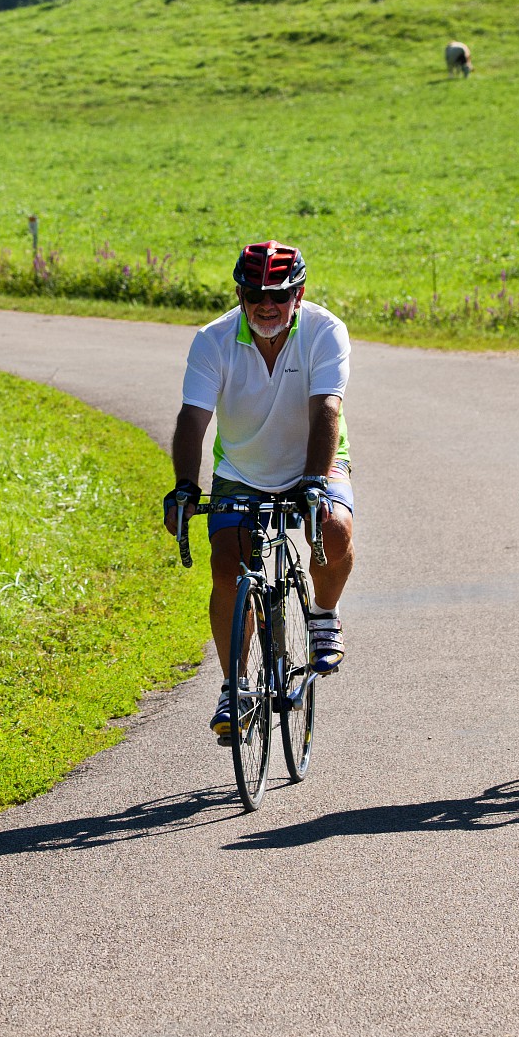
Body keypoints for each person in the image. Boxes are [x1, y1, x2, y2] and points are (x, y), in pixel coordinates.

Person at [164, 240, 357, 741]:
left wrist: (314, 481)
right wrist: (185, 486)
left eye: (280, 293)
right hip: (242, 469)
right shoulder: (213, 340)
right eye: (254, 294)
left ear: (300, 294)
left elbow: (328, 410)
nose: (266, 305)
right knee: (227, 567)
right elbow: (193, 418)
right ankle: (235, 684)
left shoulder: (324, 330)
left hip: (314, 459)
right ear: (239, 294)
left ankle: (323, 612)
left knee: (333, 533)